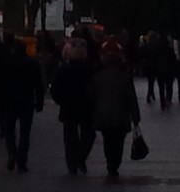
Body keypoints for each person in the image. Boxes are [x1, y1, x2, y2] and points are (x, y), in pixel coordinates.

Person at [89, 50, 141, 179]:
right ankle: (115, 164)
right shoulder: (125, 77)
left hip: (103, 115)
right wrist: (135, 117)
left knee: (107, 140)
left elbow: (90, 96)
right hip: (121, 115)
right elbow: (131, 98)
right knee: (119, 142)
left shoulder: (98, 77)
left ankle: (110, 162)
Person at [51, 38, 95, 175]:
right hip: (86, 107)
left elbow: (55, 88)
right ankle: (81, 157)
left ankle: (72, 164)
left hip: (68, 106)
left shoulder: (63, 70)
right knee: (88, 134)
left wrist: (60, 100)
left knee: (70, 136)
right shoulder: (89, 70)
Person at [0, 39, 43, 174]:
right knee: (25, 132)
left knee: (9, 130)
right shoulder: (32, 64)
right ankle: (22, 161)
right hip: (27, 100)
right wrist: (39, 102)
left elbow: (1, 84)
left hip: (9, 101)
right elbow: (39, 85)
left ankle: (12, 152)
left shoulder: (7, 64)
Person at [156, 36, 177, 111]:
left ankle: (162, 103)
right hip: (169, 70)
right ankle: (168, 100)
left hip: (160, 70)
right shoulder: (170, 50)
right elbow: (174, 60)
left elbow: (155, 60)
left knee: (161, 88)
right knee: (169, 86)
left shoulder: (157, 50)